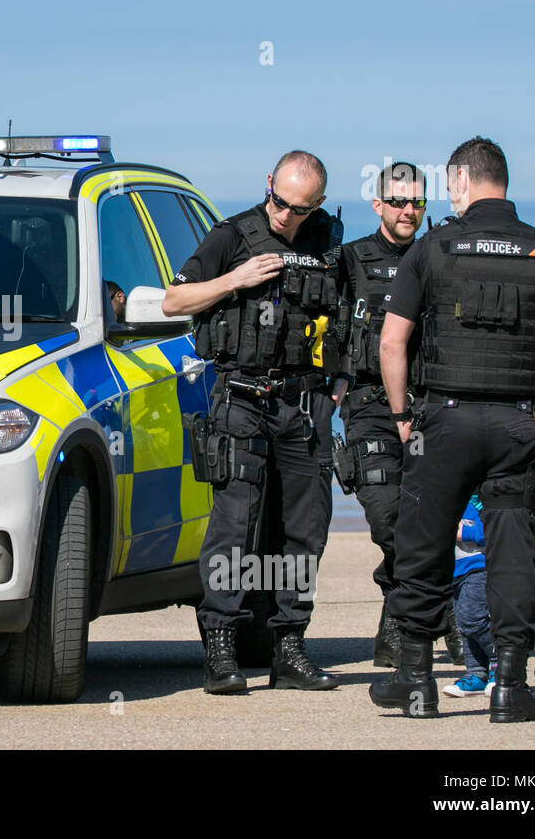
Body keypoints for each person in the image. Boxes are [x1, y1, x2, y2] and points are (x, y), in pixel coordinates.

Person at [368, 136, 535, 721]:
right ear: (503, 182)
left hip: (443, 422)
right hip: (517, 425)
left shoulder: (432, 248)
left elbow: (392, 341)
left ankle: (415, 682)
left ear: (459, 181)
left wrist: (404, 417)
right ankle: (510, 688)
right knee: (512, 550)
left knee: (423, 547)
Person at [164, 150, 351, 694]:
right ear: (268, 183)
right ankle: (220, 649)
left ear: (316, 203)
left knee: (305, 530)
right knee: (235, 527)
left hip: (305, 405)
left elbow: (343, 315)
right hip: (242, 399)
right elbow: (176, 299)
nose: (286, 215)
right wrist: (236, 279)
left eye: (299, 208)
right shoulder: (231, 236)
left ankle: (289, 646)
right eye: (279, 201)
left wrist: (340, 381)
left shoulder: (328, 242)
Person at [339, 161, 462, 668]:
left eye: (416, 202)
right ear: (378, 205)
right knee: (389, 518)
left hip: (429, 407)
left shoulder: (440, 254)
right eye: (398, 202)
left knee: (430, 521)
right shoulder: (349, 261)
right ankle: (442, 617)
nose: (407, 211)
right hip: (369, 407)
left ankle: (403, 625)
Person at [444, 495, 495, 697]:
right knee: (464, 625)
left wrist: (464, 532)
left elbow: (499, 529)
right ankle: (477, 673)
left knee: (472, 619)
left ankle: (505, 663)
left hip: (480, 566)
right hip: (455, 568)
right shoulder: (449, 489)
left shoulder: (483, 495)